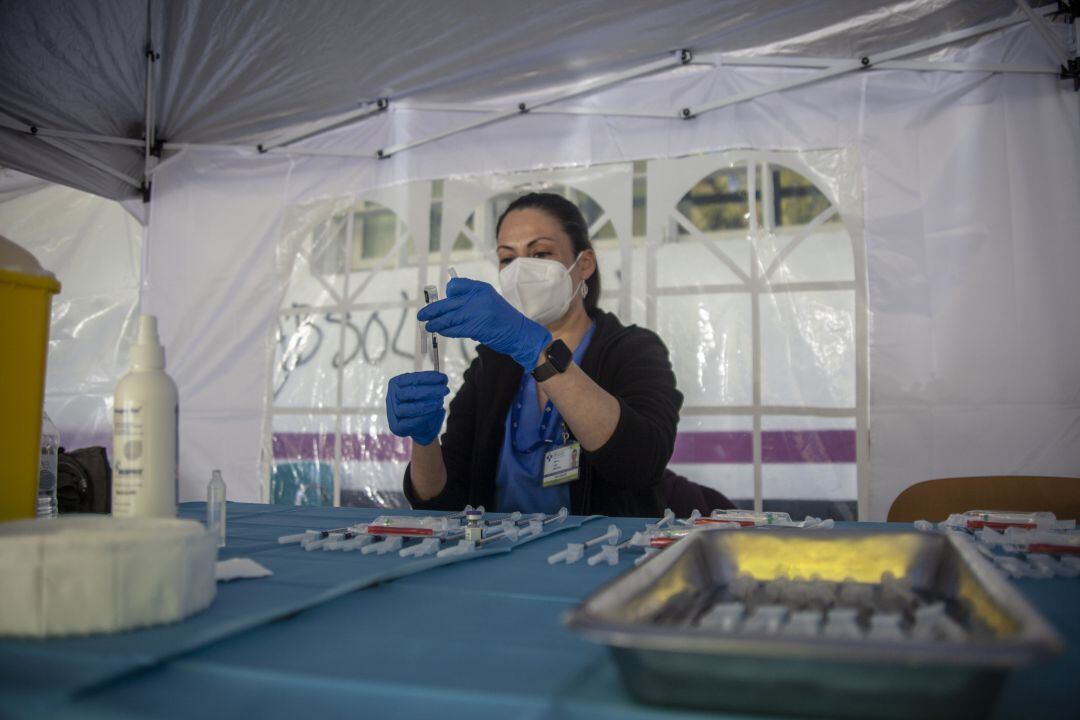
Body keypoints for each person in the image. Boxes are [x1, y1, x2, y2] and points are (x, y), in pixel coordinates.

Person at [386, 193, 682, 516]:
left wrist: (531, 346)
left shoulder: (632, 350)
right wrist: (424, 441)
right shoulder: (493, 365)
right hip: (502, 560)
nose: (521, 271)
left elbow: (641, 463)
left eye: (540, 253)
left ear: (584, 264)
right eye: (507, 258)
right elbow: (442, 501)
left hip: (601, 559)